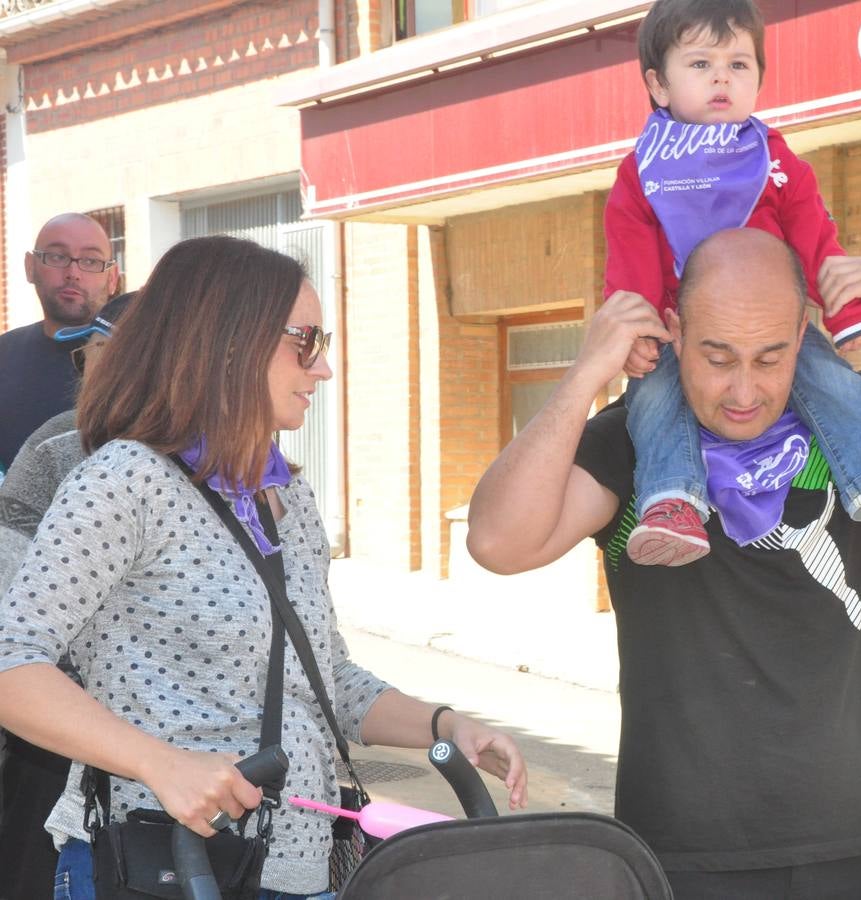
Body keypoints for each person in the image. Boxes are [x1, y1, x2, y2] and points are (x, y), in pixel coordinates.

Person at [467, 228, 861, 898]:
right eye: (716, 357)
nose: (742, 390)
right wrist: (585, 373)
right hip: (690, 838)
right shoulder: (634, 442)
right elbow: (499, 544)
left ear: (804, 333)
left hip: (859, 821)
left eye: (769, 357)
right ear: (673, 329)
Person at [0, 236, 528, 899]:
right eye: (304, 341)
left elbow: (324, 675)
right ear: (227, 342)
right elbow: (12, 663)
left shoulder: (288, 497)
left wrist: (443, 725)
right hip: (164, 864)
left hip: (297, 872)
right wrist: (161, 764)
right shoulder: (124, 478)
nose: (324, 368)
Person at [606, 0, 861, 567]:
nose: (722, 76)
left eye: (739, 65)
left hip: (777, 331)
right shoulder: (641, 170)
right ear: (658, 85)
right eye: (699, 64)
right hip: (681, 333)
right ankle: (672, 502)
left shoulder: (772, 158)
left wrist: (848, 312)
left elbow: (814, 237)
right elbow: (630, 255)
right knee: (654, 401)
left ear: (759, 82)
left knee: (838, 386)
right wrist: (639, 330)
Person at [0, 291, 135, 900]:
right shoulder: (60, 444)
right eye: (89, 356)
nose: (92, 369)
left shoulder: (231, 455)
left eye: (108, 353)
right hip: (54, 719)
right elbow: (9, 552)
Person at [0, 213, 120, 474]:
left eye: (90, 260)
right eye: (57, 257)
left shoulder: (141, 362)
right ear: (30, 267)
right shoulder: (4, 354)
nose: (73, 273)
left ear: (113, 278)